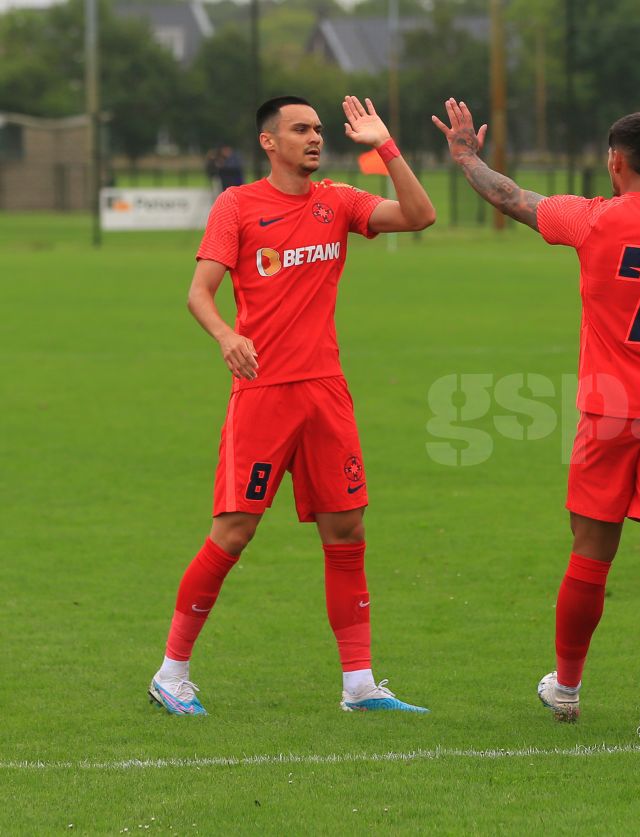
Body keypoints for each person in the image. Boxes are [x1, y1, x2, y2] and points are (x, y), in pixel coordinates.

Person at [433, 99, 640, 741]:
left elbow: (512, 198)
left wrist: (467, 154)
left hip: (605, 411)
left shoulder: (590, 218)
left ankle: (568, 688)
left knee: (590, 555)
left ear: (616, 162)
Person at [147, 95, 437, 716]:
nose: (314, 138)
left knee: (347, 529)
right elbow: (199, 292)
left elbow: (420, 214)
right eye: (300, 129)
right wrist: (228, 336)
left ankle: (359, 684)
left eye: (318, 129)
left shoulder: (339, 200)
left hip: (325, 392)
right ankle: (171, 672)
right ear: (268, 142)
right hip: (264, 393)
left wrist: (385, 146)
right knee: (234, 531)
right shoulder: (237, 205)